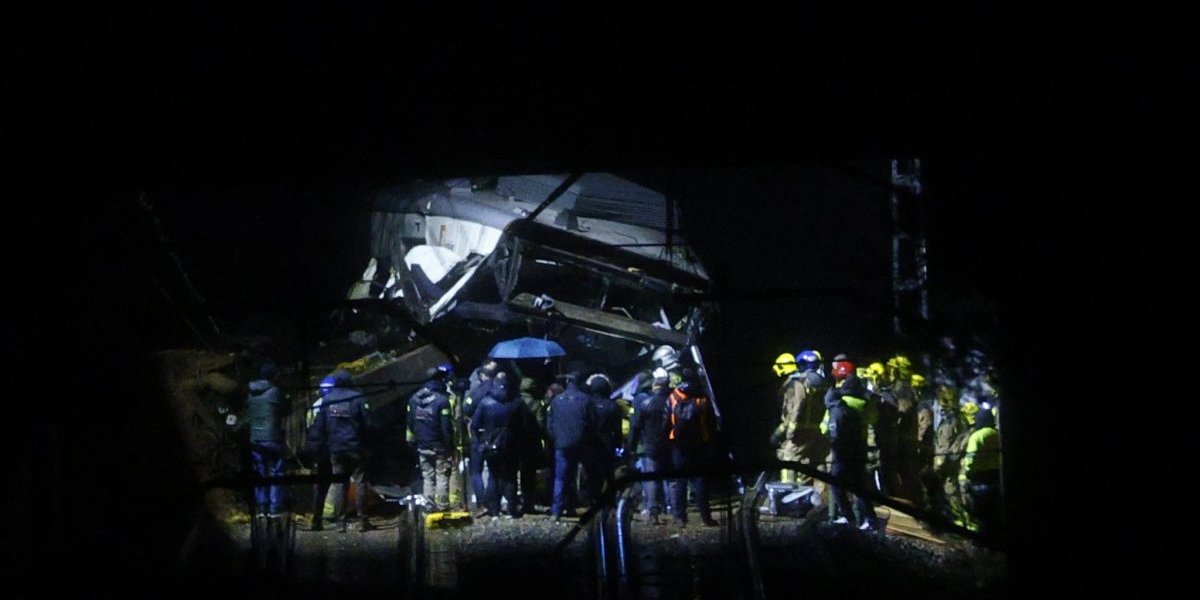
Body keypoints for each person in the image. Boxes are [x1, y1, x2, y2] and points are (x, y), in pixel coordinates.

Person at [306, 369, 373, 533]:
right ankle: (362, 521)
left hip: (336, 450)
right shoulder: (358, 398)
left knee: (340, 484)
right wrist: (369, 445)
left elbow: (318, 427)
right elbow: (368, 425)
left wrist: (315, 449)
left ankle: (340, 523)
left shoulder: (327, 400)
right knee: (360, 482)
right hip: (356, 448)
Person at [824, 355, 877, 530]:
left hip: (841, 449)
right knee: (859, 486)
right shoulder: (865, 401)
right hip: (860, 447)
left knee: (835, 483)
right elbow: (873, 420)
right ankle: (870, 520)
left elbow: (826, 428)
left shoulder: (838, 403)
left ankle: (848, 518)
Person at [666, 368, 719, 527]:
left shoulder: (674, 396)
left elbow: (666, 421)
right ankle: (706, 517)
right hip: (699, 444)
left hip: (678, 445)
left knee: (680, 481)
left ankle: (680, 517)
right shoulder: (702, 397)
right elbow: (711, 423)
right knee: (701, 481)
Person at [627, 367, 671, 523]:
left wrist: (631, 446)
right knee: (668, 478)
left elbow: (636, 426)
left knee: (651, 478)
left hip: (650, 445)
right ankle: (671, 508)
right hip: (669, 444)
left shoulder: (645, 403)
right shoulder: (670, 401)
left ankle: (653, 510)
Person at [546, 371, 592, 522]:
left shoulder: (557, 400)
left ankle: (556, 510)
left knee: (560, 477)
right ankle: (576, 504)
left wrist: (555, 438)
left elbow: (550, 423)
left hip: (561, 443)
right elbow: (592, 422)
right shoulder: (585, 399)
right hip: (581, 443)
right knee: (578, 474)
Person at [407, 366, 454, 511]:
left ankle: (428, 505)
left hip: (422, 445)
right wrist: (449, 447)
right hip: (439, 446)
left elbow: (410, 423)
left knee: (427, 477)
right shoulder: (442, 401)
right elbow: (446, 428)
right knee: (442, 475)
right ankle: (443, 506)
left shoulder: (413, 400)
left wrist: (414, 441)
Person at [247, 360, 286, 518]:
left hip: (255, 439)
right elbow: (285, 409)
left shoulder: (250, 392)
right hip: (272, 438)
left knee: (260, 471)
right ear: (273, 376)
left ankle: (262, 507)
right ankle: (274, 507)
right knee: (277, 470)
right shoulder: (275, 391)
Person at [960, 406, 1002, 540]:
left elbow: (971, 458)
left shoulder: (977, 436)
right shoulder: (998, 434)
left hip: (979, 477)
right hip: (996, 476)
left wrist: (967, 469)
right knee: (994, 510)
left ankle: (980, 538)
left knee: (981, 511)